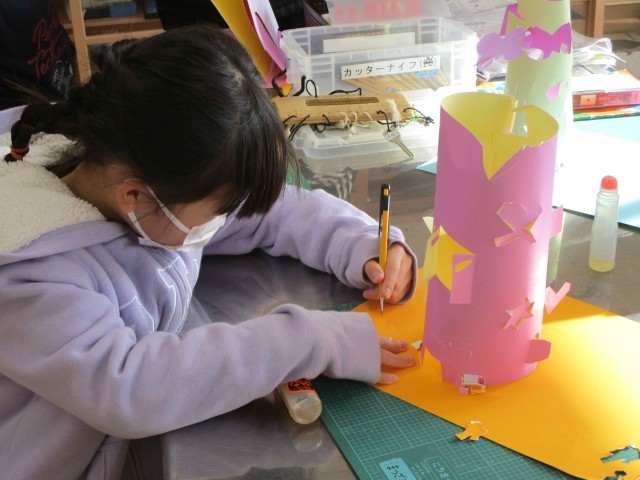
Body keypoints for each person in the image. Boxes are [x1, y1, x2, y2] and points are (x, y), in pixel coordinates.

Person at [0, 25, 417, 480]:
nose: (225, 220)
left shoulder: (145, 188)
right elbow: (131, 389)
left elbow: (268, 210)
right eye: (217, 212)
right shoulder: (29, 274)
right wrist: (310, 339)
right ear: (135, 197)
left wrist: (360, 242)